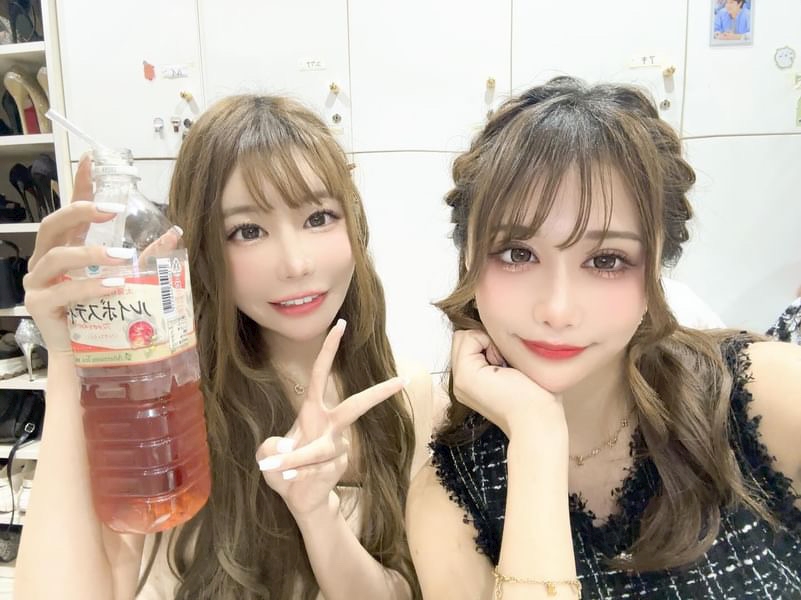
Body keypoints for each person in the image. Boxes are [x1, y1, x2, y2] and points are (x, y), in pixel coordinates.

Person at [16, 95, 437, 599]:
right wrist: (67, 357)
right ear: (202, 249)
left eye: (319, 217)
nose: (296, 263)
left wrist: (318, 515)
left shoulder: (402, 393)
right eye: (248, 230)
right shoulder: (165, 406)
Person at [407, 77, 801, 599]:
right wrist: (536, 436)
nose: (557, 310)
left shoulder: (763, 399)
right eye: (518, 254)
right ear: (469, 261)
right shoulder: (450, 498)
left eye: (607, 260)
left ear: (656, 269)